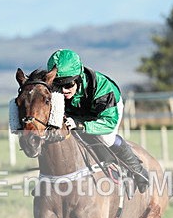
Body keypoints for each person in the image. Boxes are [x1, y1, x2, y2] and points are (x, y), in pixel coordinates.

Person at [47, 49, 149, 192]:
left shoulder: (103, 88)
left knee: (105, 137)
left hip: (105, 112)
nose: (63, 90)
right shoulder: (54, 89)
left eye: (68, 84)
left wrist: (81, 125)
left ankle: (139, 172)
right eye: (58, 85)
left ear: (79, 77)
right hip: (78, 112)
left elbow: (108, 123)